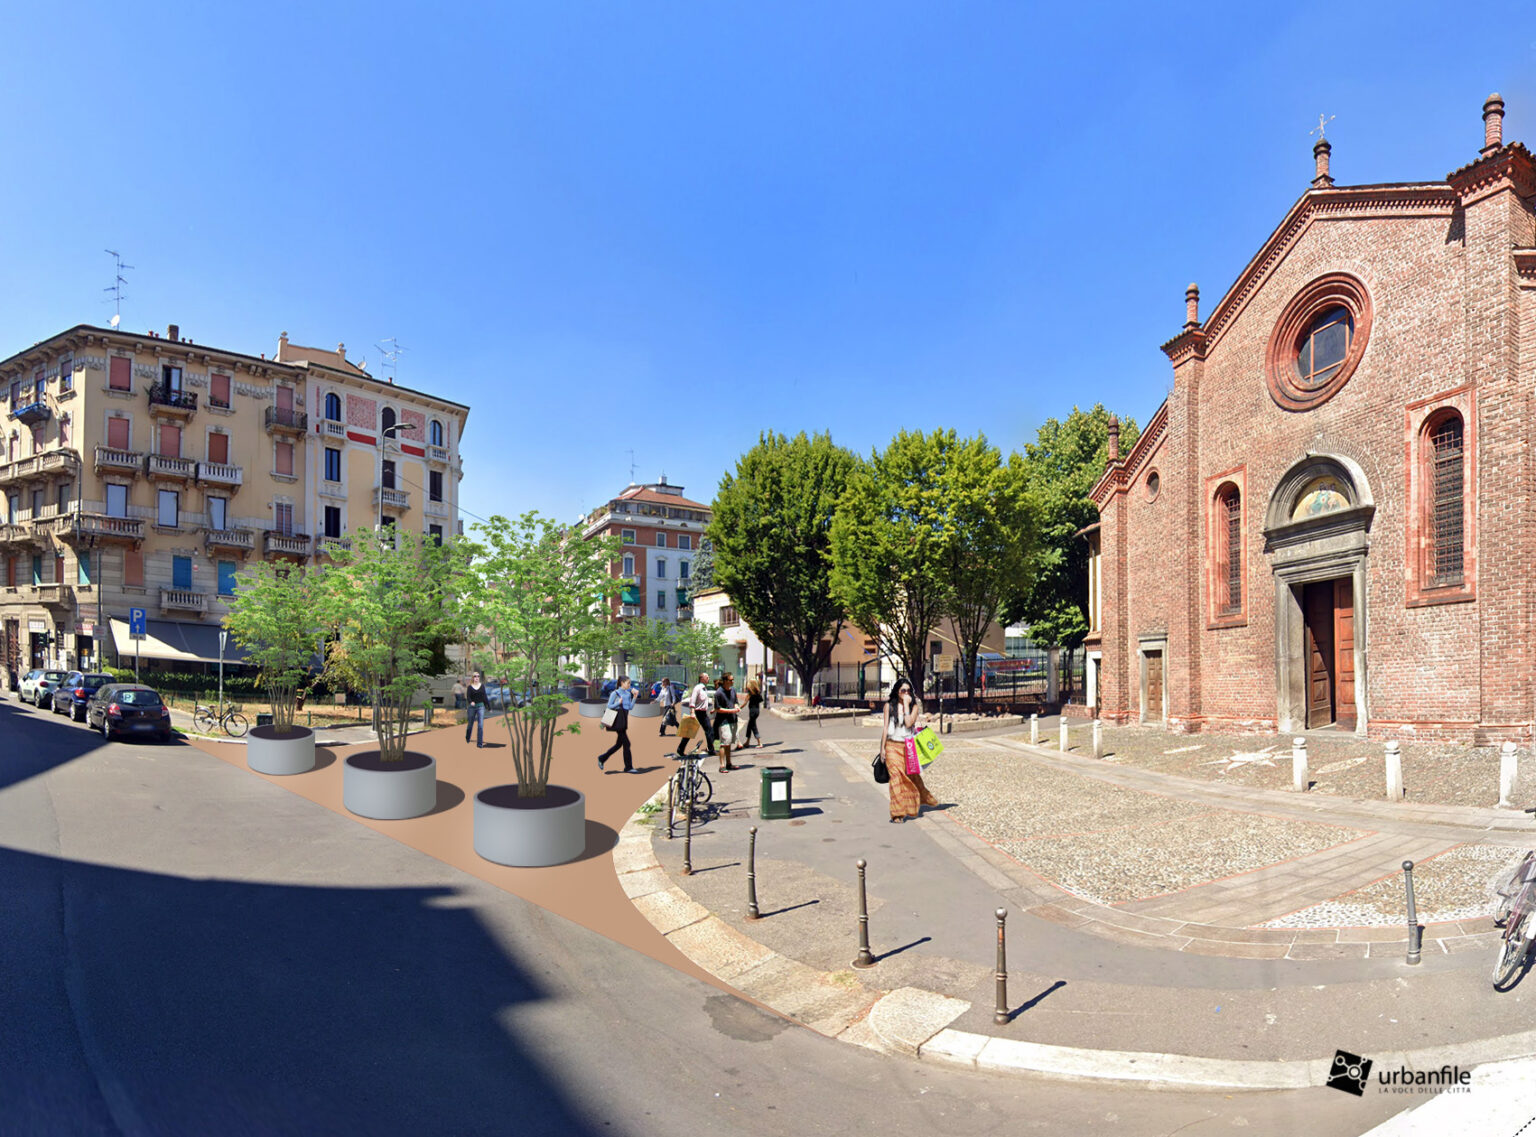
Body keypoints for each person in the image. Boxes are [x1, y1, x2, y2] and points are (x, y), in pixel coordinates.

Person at [882, 676, 938, 823]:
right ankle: (897, 813)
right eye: (903, 691)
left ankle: (923, 797)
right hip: (892, 746)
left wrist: (907, 706)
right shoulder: (889, 706)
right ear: (897, 691)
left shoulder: (914, 707)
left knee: (911, 777)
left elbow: (908, 723)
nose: (906, 693)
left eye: (908, 691)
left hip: (908, 746)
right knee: (895, 778)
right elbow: (885, 727)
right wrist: (882, 748)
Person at [598, 675, 637, 773]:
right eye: (628, 683)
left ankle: (602, 758)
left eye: (630, 683)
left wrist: (635, 697)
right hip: (618, 720)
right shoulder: (615, 693)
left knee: (619, 744)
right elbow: (609, 706)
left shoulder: (628, 694)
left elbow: (630, 707)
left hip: (624, 719)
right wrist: (618, 703)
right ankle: (628, 767)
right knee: (627, 744)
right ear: (622, 683)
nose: (629, 685)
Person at [679, 672, 715, 759]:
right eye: (707, 677)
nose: (708, 678)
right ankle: (680, 749)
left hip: (703, 713)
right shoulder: (697, 688)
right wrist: (692, 712)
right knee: (690, 732)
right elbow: (692, 700)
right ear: (702, 679)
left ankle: (711, 749)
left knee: (709, 730)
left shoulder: (704, 689)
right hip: (697, 712)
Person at [713, 672, 742, 772]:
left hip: (732, 720)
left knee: (729, 743)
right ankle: (722, 765)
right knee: (723, 743)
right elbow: (718, 709)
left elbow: (735, 702)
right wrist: (731, 710)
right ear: (725, 681)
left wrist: (737, 706)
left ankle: (729, 763)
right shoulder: (719, 693)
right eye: (731, 680)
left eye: (733, 679)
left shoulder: (733, 690)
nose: (733, 681)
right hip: (723, 721)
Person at [464, 671, 489, 748]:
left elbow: (484, 696)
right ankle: (468, 737)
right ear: (473, 678)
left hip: (480, 707)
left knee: (480, 725)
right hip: (472, 707)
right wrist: (471, 702)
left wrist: (489, 707)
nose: (476, 678)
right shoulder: (470, 687)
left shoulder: (482, 686)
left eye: (478, 676)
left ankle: (479, 743)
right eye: (475, 676)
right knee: (470, 725)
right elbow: (468, 697)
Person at [742, 678, 764, 748]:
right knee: (750, 726)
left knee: (753, 727)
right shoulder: (758, 693)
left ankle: (759, 742)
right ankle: (747, 742)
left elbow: (745, 703)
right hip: (757, 711)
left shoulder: (750, 694)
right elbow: (761, 700)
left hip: (752, 712)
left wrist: (738, 708)